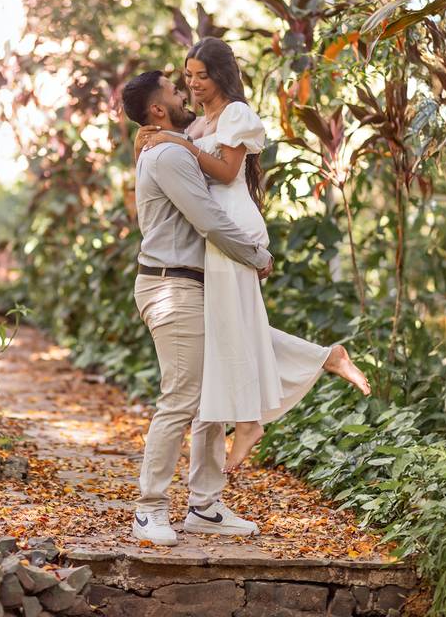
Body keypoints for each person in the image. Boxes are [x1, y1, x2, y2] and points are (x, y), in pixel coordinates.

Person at [137, 38, 370, 474]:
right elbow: (170, 148)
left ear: (221, 76)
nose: (193, 84)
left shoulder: (236, 114)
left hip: (233, 228)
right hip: (217, 235)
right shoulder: (199, 122)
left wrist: (179, 144)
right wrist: (156, 138)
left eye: (201, 76)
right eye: (187, 76)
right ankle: (322, 361)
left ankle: (248, 422)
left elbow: (225, 171)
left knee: (233, 326)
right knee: (236, 326)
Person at [121, 69, 274, 546]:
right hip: (173, 287)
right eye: (174, 89)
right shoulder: (167, 155)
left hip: (196, 286)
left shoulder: (167, 145)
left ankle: (204, 506)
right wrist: (256, 253)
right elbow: (208, 219)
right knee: (183, 399)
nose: (185, 93)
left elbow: (213, 141)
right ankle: (149, 509)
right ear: (158, 109)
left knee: (212, 399)